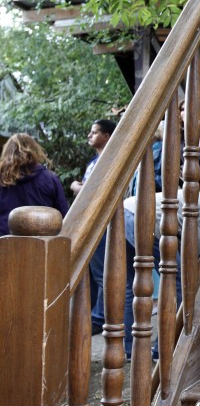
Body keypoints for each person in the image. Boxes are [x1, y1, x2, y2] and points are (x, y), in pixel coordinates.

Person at [70, 118, 116, 335]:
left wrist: (76, 187)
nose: (90, 135)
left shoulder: (108, 160)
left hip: (101, 223)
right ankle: (93, 313)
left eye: (94, 132)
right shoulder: (93, 161)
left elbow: (96, 190)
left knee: (101, 271)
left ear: (106, 136)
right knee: (90, 270)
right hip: (87, 221)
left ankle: (100, 317)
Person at [0, 133, 68, 236]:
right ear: (35, 151)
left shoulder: (2, 178)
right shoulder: (50, 179)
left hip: (5, 241)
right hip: (42, 242)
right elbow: (64, 217)